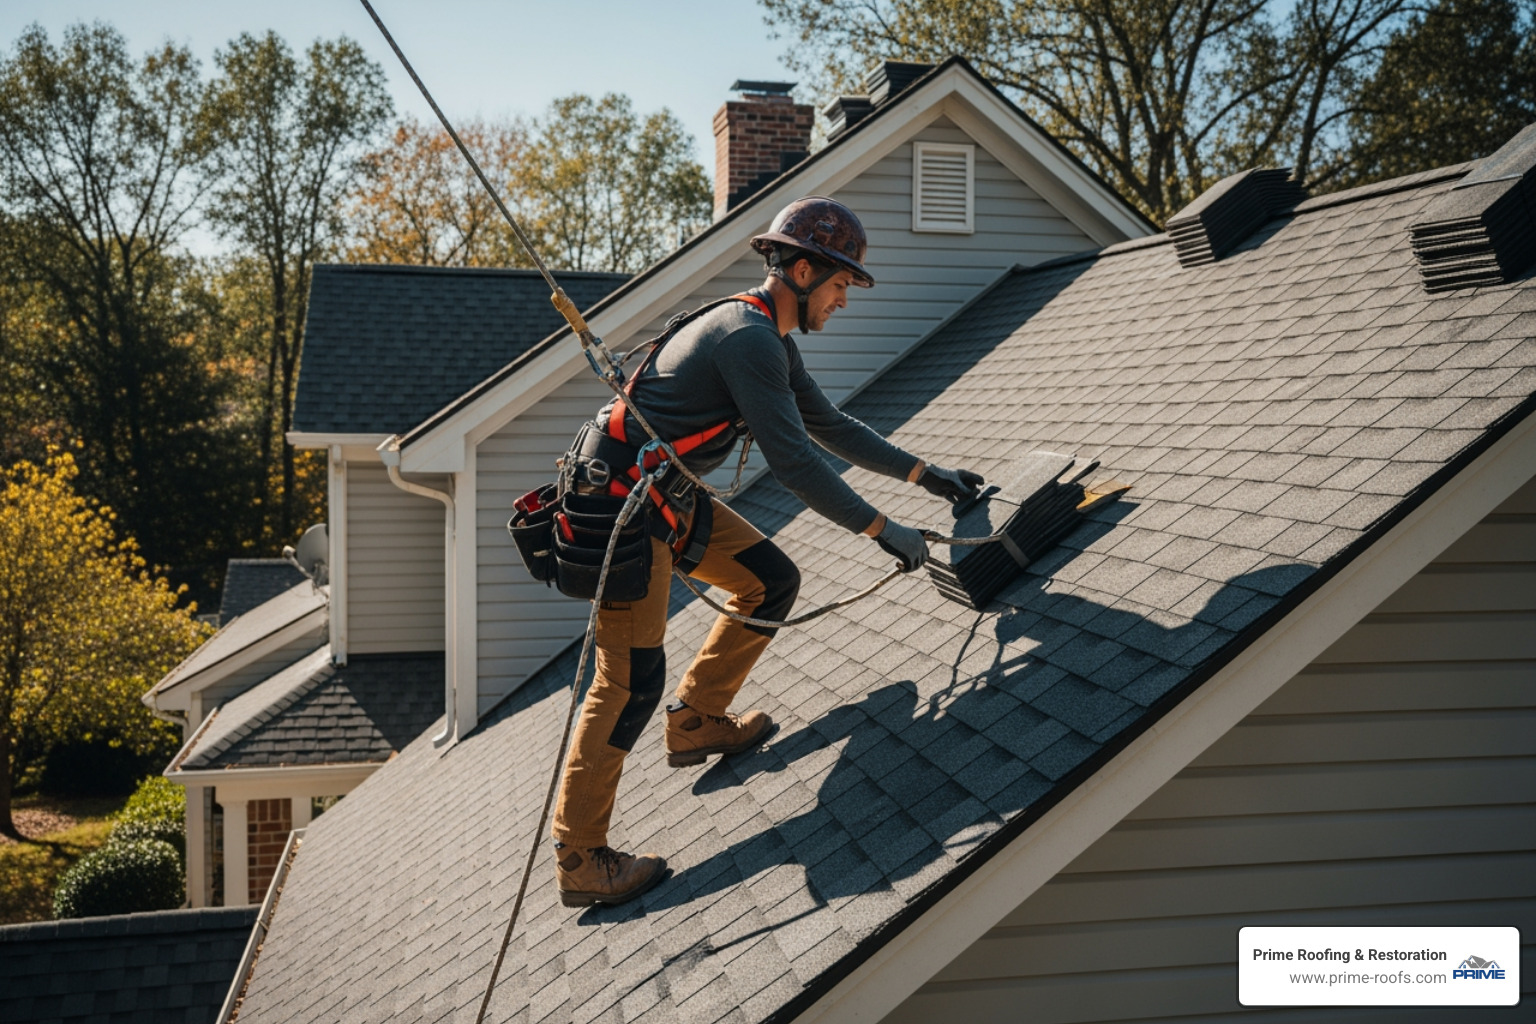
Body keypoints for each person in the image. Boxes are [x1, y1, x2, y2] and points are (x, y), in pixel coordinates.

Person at [551, 196, 984, 907]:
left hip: (667, 500)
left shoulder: (767, 338)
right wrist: (887, 533)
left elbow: (829, 427)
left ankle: (695, 723)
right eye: (841, 285)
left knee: (769, 581)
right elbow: (798, 465)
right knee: (625, 683)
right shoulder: (748, 340)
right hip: (620, 513)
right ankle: (581, 856)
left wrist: (926, 475)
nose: (844, 301)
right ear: (804, 269)